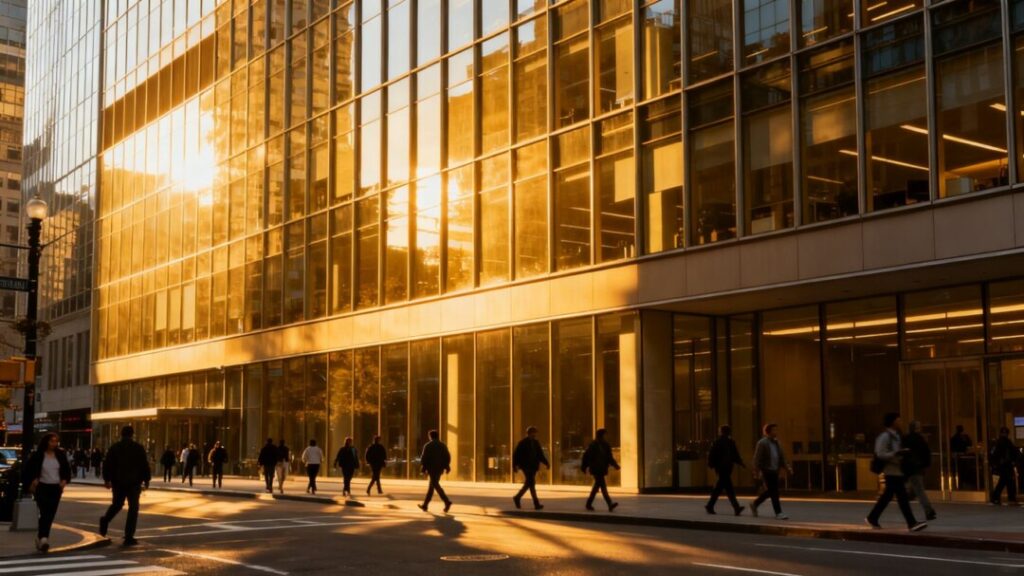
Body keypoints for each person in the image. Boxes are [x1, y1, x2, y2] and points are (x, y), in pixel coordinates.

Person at [866, 413, 927, 532]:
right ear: (893, 422)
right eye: (898, 420)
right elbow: (880, 453)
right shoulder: (885, 436)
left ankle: (873, 517)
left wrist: (902, 453)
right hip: (891, 471)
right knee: (902, 497)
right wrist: (896, 453)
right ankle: (911, 523)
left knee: (889, 497)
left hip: (897, 470)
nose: (900, 422)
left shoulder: (896, 436)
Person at [99, 426, 151, 546]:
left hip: (118, 482)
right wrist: (146, 480)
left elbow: (107, 464)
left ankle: (105, 519)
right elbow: (144, 465)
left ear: (121, 434)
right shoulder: (138, 448)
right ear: (132, 435)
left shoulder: (115, 447)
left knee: (117, 504)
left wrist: (107, 479)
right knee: (133, 508)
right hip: (134, 482)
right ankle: (129, 536)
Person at [23, 432, 71, 552]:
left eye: (56, 441)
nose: (54, 443)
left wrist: (64, 480)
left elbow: (66, 469)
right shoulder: (38, 455)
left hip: (56, 488)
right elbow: (29, 469)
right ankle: (44, 538)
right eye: (52, 441)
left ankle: (41, 538)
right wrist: (33, 480)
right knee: (45, 512)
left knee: (50, 513)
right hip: (42, 487)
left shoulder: (60, 454)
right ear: (46, 442)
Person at [751, 423, 793, 520]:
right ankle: (778, 512)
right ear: (768, 432)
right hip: (766, 471)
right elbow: (757, 458)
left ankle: (755, 503)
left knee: (771, 491)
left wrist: (788, 468)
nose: (776, 432)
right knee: (774, 492)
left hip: (774, 471)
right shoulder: (762, 443)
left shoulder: (777, 443)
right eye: (774, 430)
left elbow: (782, 457)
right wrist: (756, 471)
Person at [705, 425, 746, 516]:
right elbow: (735, 455)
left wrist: (711, 464)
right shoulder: (730, 442)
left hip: (720, 468)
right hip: (727, 468)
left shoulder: (717, 442)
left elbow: (711, 454)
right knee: (727, 488)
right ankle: (736, 507)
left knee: (722, 488)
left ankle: (710, 506)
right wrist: (741, 463)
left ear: (721, 432)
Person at [902, 421, 936, 520]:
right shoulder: (920, 439)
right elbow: (926, 453)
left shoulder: (906, 438)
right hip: (918, 467)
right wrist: (925, 465)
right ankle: (928, 509)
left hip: (909, 468)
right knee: (918, 489)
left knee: (914, 489)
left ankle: (927, 509)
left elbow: (903, 453)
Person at [582, 428, 620, 512]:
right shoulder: (593, 445)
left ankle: (589, 504)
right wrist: (584, 467)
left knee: (596, 487)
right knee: (603, 487)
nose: (605, 437)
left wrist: (615, 465)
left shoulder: (605, 445)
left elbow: (609, 457)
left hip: (602, 468)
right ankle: (609, 504)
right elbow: (587, 456)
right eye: (604, 435)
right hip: (596, 469)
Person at [512, 426, 550, 510]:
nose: (535, 435)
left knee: (529, 484)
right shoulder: (522, 443)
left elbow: (540, 454)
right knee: (531, 483)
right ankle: (536, 503)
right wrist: (514, 466)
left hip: (533, 466)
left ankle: (517, 497)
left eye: (535, 433)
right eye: (533, 433)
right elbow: (516, 455)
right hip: (526, 466)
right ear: (529, 433)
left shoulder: (536, 443)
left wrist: (546, 463)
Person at [417, 429, 452, 513]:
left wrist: (423, 468)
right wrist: (446, 466)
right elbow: (447, 456)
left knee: (435, 485)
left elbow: (424, 458)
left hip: (431, 469)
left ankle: (447, 501)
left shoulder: (428, 445)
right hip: (439, 468)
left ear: (430, 436)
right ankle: (425, 505)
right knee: (432, 486)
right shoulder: (443, 445)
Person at [990, 426, 1018, 506]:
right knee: (1007, 481)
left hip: (1003, 465)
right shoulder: (1006, 442)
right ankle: (1009, 497)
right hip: (1006, 465)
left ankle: (997, 497)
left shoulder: (999, 442)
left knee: (1005, 481)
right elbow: (1013, 452)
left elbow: (993, 453)